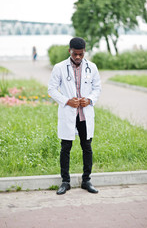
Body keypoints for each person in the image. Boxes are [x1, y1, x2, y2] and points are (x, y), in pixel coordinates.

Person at [48, 37, 101, 195]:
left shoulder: (92, 67)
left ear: (85, 52)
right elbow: (51, 89)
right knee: (65, 148)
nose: (78, 57)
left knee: (87, 147)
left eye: (81, 54)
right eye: (75, 53)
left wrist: (90, 99)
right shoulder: (59, 67)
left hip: (84, 115)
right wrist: (66, 101)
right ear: (69, 50)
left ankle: (86, 181)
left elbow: (97, 88)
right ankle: (65, 182)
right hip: (69, 113)